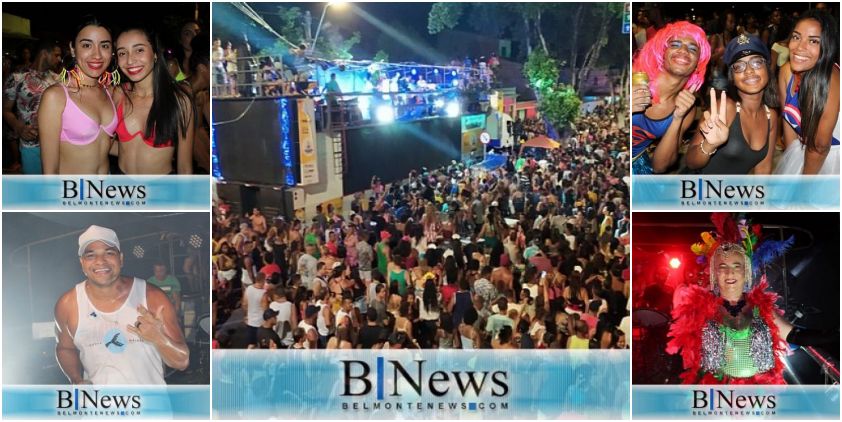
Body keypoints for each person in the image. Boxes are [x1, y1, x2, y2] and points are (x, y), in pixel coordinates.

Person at [668, 213, 834, 384]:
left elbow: (793, 335)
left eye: (736, 266)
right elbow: (687, 350)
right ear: (714, 273)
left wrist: (834, 335)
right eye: (722, 266)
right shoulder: (702, 307)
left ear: (745, 272)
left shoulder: (760, 306)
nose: (729, 272)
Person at [54, 225, 188, 384]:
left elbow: (181, 362)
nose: (100, 261)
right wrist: (76, 379)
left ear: (121, 259)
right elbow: (65, 348)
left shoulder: (152, 297)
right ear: (82, 263)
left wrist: (158, 338)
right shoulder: (68, 304)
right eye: (91, 256)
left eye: (109, 253)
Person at [685, 35, 778, 174]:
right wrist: (709, 145)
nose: (749, 71)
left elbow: (763, 167)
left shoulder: (771, 115)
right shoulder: (725, 108)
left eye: (756, 63)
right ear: (732, 77)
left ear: (767, 68)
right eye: (739, 66)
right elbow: (691, 162)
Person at [38, 17, 118, 174]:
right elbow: (49, 172)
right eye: (87, 45)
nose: (97, 55)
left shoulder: (110, 92)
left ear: (112, 51)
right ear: (73, 48)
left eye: (105, 46)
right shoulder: (56, 97)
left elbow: (104, 145)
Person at [631, 21, 711, 174]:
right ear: (662, 53)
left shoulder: (687, 109)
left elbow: (660, 166)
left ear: (697, 64)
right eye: (675, 44)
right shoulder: (635, 81)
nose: (683, 50)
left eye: (693, 48)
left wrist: (677, 117)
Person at [113, 27, 194, 174]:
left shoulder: (179, 100)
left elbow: (185, 167)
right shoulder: (119, 93)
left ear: (155, 53)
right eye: (122, 53)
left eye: (139, 50)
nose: (130, 60)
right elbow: (108, 145)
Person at [773, 10, 839, 175]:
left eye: (813, 41)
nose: (799, 47)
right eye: (796, 37)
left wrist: (803, 185)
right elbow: (788, 124)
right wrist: (791, 162)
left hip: (832, 160)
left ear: (827, 46)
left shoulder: (829, 81)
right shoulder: (786, 71)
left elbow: (819, 148)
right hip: (804, 151)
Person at [3, 40, 62, 174]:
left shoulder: (59, 80)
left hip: (58, 144)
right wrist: (19, 127)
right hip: (31, 145)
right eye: (56, 55)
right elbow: (5, 109)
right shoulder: (17, 78)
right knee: (35, 189)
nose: (59, 59)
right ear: (44, 53)